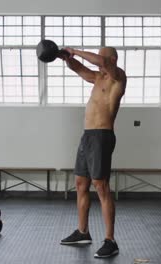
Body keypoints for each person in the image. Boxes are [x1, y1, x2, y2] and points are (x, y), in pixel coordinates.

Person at [58, 47, 127, 258]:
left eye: (103, 56)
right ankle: (83, 232)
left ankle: (110, 240)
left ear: (112, 59)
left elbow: (102, 63)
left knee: (101, 186)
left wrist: (75, 50)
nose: (100, 61)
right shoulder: (97, 78)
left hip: (102, 136)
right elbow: (78, 68)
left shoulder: (118, 77)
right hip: (87, 136)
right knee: (81, 184)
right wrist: (66, 57)